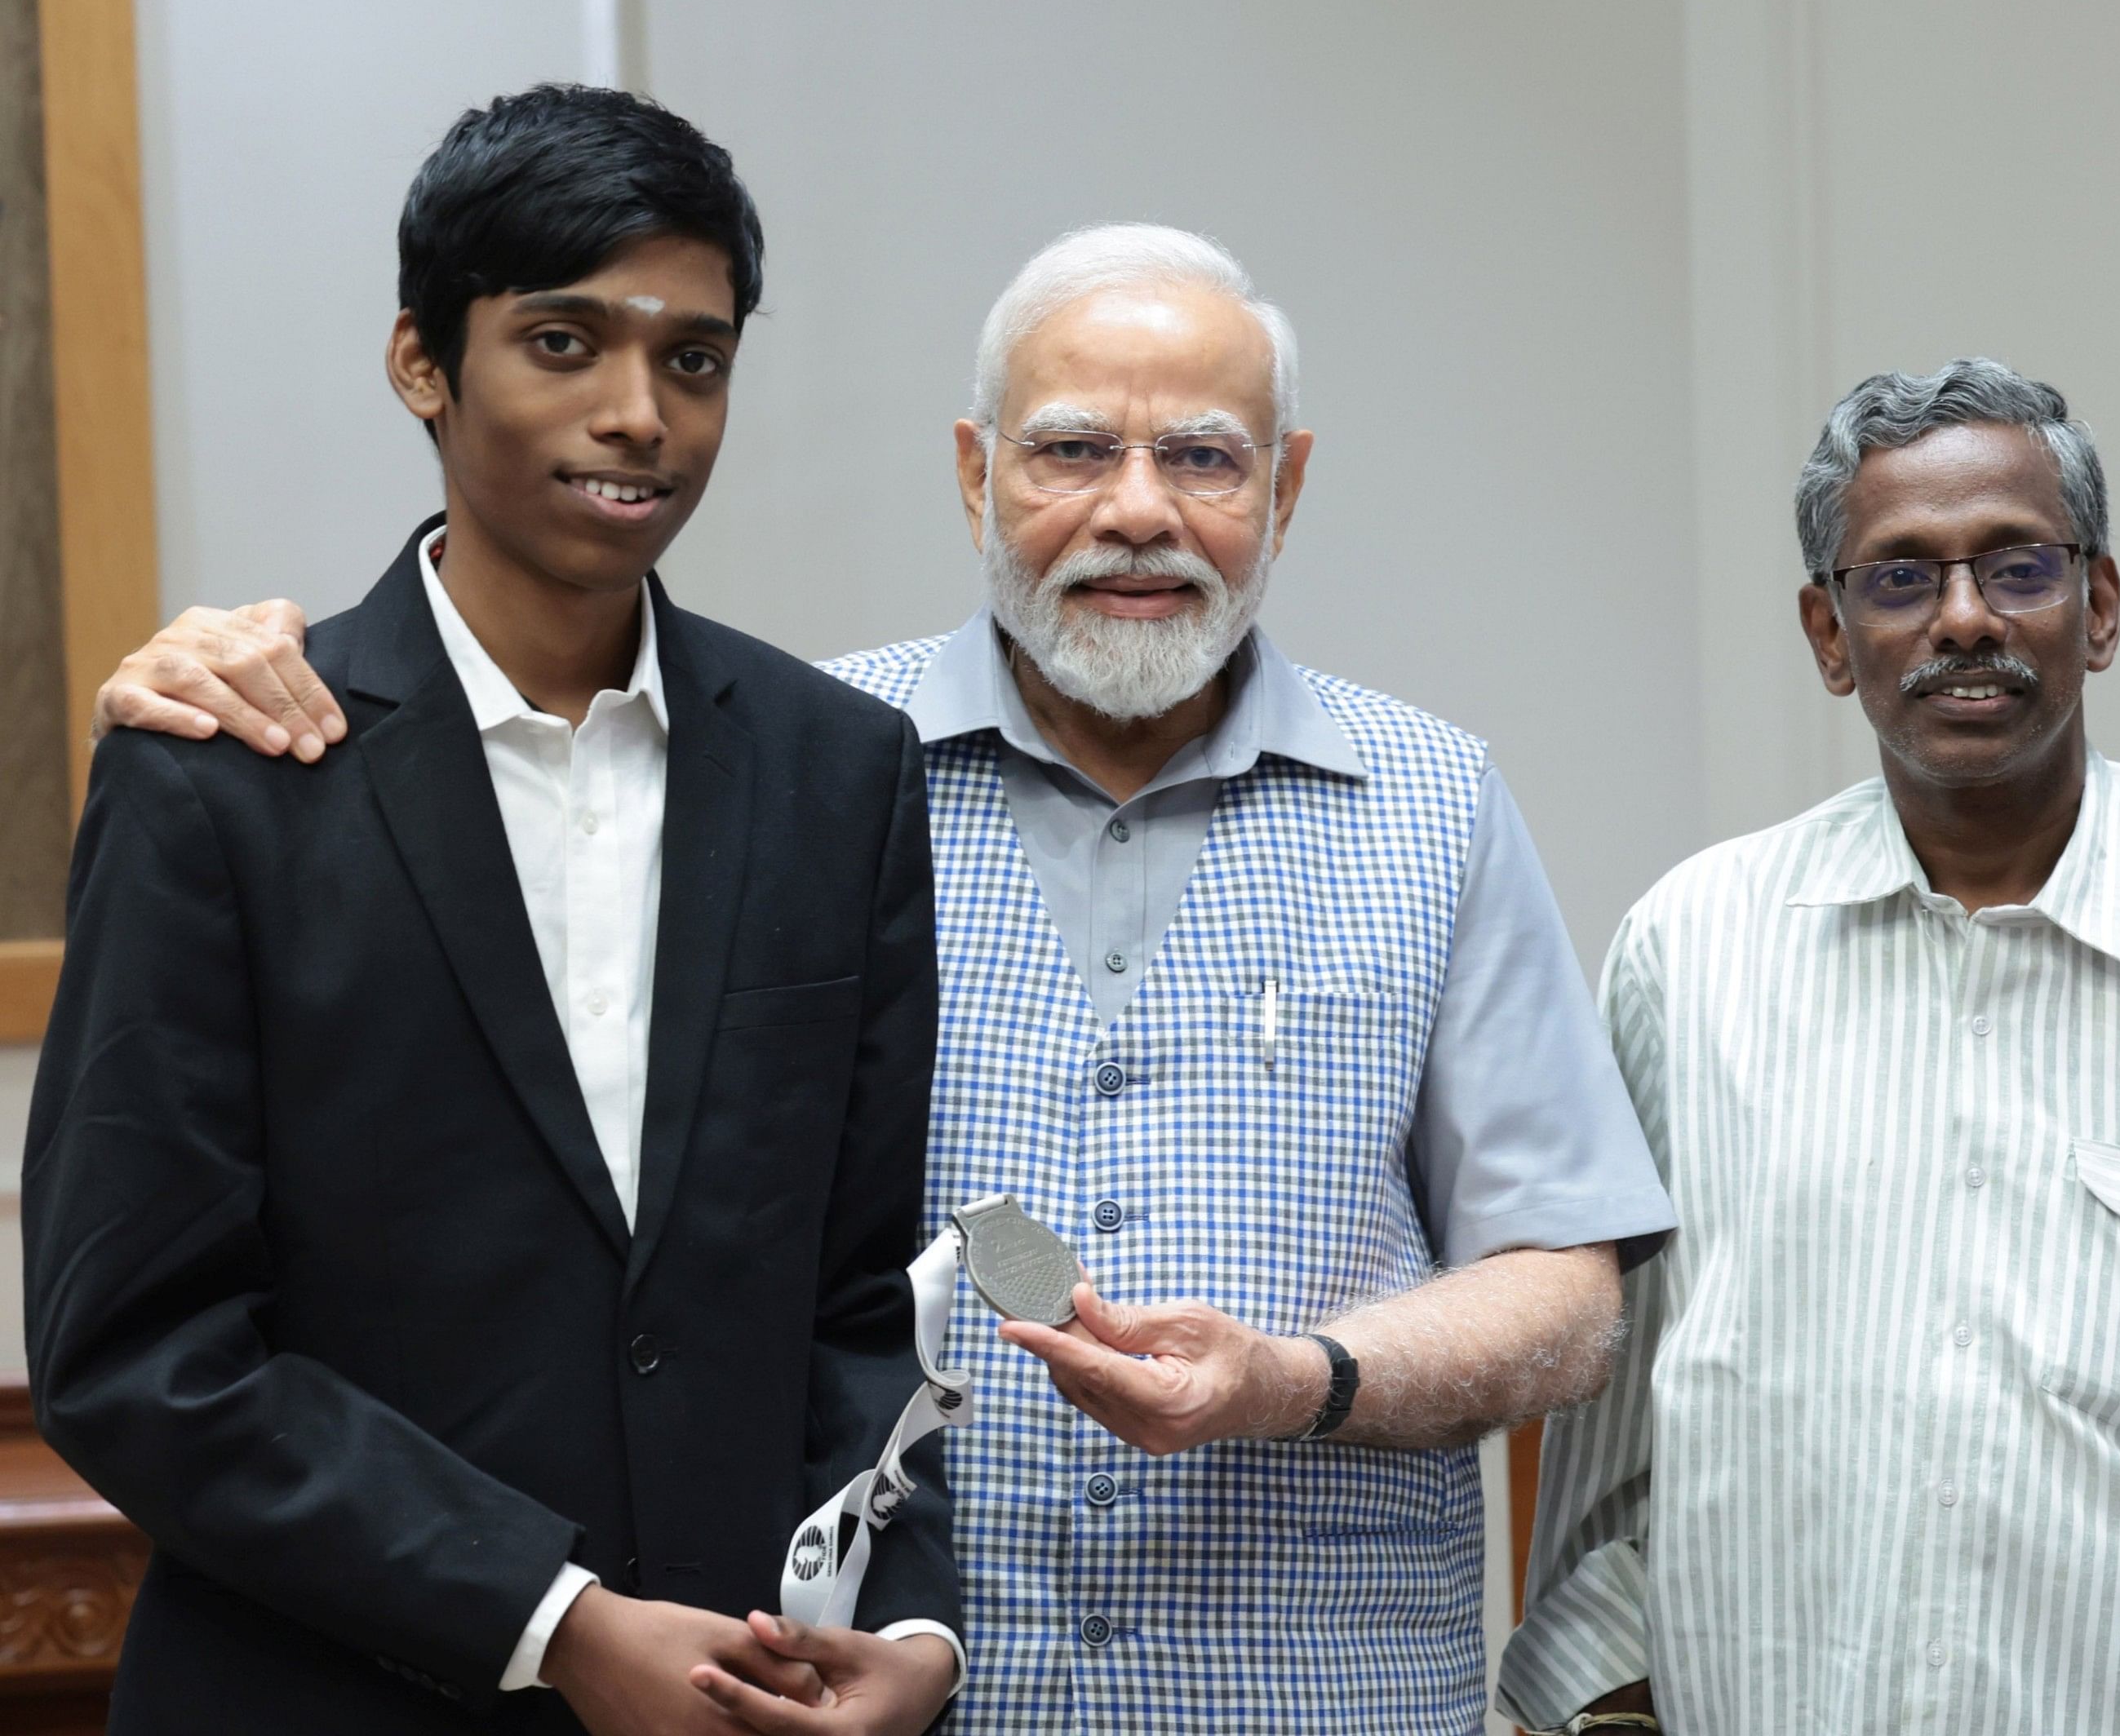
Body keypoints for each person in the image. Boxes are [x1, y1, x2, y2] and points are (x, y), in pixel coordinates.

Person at [89, 219, 1677, 1735]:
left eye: (1203, 454)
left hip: (1314, 1690)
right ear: (976, 470)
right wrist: (219, 676)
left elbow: (1564, 1298)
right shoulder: (801, 770)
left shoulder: (1432, 803)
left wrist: (1299, 1379)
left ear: (1288, 485)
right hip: (887, 1696)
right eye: (1069, 450)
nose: (1139, 509)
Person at [24, 86, 962, 1734]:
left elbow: (854, 1300)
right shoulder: (226, 769)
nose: (639, 414)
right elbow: (140, 1349)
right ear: (422, 364)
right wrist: (558, 1620)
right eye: (561, 343)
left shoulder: (839, 772)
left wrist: (906, 1626)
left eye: (693, 358)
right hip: (316, 1694)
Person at [1503, 360, 2120, 1734]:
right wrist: (1603, 1695)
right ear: (1827, 635)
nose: (1965, 618)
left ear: (2097, 607)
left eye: (2017, 568)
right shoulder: (1691, 948)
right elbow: (1610, 1430)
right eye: (1900, 578)